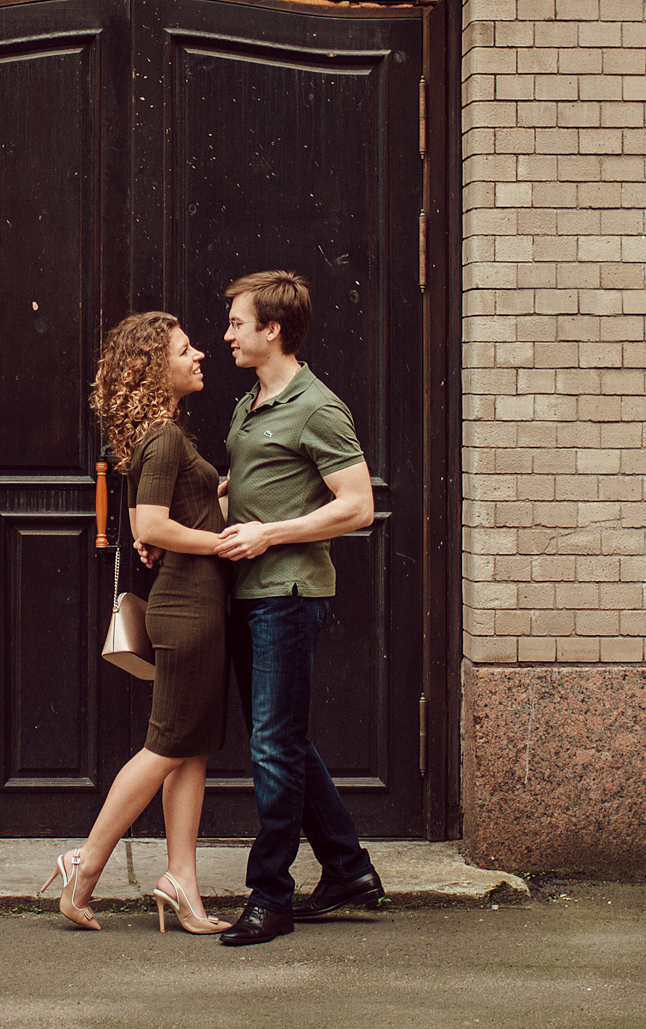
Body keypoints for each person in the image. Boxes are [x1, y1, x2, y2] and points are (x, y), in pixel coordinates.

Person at [40, 311, 234, 934]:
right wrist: (227, 543)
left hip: (197, 601)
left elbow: (175, 515)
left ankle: (181, 881)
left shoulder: (166, 437)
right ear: (156, 367)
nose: (200, 354)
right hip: (190, 606)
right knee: (166, 744)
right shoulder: (165, 438)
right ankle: (85, 863)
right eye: (185, 349)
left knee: (190, 747)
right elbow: (149, 528)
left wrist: (228, 499)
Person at [210, 269, 383, 947]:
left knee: (272, 745)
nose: (226, 334)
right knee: (282, 741)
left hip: (287, 594)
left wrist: (269, 534)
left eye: (236, 323)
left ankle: (270, 897)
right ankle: (348, 870)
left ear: (271, 329)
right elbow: (246, 492)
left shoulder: (317, 406)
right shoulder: (251, 402)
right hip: (249, 593)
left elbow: (358, 506)